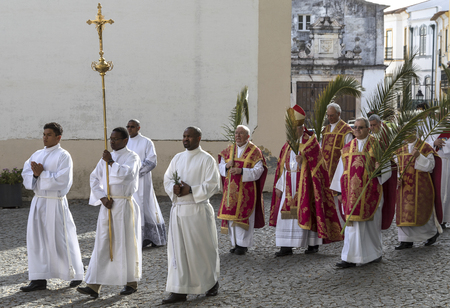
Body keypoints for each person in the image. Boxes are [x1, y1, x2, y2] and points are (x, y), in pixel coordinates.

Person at [77, 127, 142, 298]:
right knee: (103, 242)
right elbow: (94, 178)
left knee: (125, 242)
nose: (112, 142)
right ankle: (93, 285)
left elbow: (126, 175)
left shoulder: (132, 157)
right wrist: (102, 198)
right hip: (108, 205)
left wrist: (112, 162)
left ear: (125, 140)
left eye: (116, 139)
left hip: (124, 204)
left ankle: (131, 282)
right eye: (111, 139)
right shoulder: (104, 159)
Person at [270, 106, 343, 257]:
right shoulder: (288, 144)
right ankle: (286, 246)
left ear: (301, 128)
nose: (291, 131)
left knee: (308, 212)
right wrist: (279, 185)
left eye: (294, 128)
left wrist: (305, 160)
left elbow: (319, 166)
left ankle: (312, 244)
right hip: (289, 185)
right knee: (288, 215)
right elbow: (282, 167)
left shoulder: (311, 143)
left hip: (306, 186)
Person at [20, 122, 84, 292]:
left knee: (61, 239)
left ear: (58, 137)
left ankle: (76, 273)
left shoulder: (64, 156)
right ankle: (38, 279)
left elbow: (63, 181)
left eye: (49, 134)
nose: (45, 137)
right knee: (37, 240)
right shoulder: (37, 154)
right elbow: (26, 176)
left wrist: (42, 174)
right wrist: (35, 174)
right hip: (39, 201)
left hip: (55, 202)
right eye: (44, 134)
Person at [162, 126, 221, 304]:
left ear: (199, 138)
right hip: (179, 210)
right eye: (184, 136)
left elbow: (213, 184)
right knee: (178, 251)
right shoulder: (177, 158)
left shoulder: (207, 160)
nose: (185, 139)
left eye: (189, 136)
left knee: (202, 249)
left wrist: (191, 190)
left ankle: (210, 282)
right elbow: (167, 179)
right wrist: (174, 189)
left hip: (198, 210)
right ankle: (180, 290)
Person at [331, 117, 392, 268]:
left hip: (370, 193)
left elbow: (388, 170)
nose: (357, 130)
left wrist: (379, 170)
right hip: (351, 195)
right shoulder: (346, 148)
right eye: (355, 127)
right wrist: (338, 192)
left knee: (370, 227)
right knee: (352, 226)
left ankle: (373, 254)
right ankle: (349, 257)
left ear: (368, 129)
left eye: (360, 127)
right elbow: (341, 171)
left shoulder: (377, 146)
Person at [217, 125, 267, 255]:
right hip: (231, 191)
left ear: (248, 136)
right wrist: (227, 166)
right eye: (236, 133)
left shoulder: (255, 151)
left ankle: (243, 245)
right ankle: (234, 243)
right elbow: (220, 166)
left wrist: (242, 171)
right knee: (232, 218)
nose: (238, 136)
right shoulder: (229, 150)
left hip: (246, 191)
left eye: (241, 133)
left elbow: (259, 170)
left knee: (243, 217)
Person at [394, 135, 441, 249]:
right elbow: (395, 167)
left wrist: (419, 156)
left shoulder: (425, 147)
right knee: (404, 212)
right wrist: (397, 178)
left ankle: (431, 234)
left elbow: (431, 166)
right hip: (404, 187)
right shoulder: (399, 149)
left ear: (415, 131)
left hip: (421, 186)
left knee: (422, 210)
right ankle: (405, 240)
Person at [126, 119, 167, 248]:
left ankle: (148, 236)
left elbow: (152, 161)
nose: (129, 129)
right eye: (128, 126)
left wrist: (135, 171)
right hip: (128, 180)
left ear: (138, 128)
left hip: (142, 179)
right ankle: (135, 235)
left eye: (132, 127)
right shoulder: (125, 142)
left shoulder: (146, 142)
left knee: (144, 204)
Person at [321, 103, 353, 226]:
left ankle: (340, 225)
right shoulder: (326, 130)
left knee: (338, 200)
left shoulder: (346, 131)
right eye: (328, 115)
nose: (329, 118)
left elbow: (349, 152)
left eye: (332, 115)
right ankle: (328, 225)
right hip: (325, 170)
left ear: (339, 114)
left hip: (338, 170)